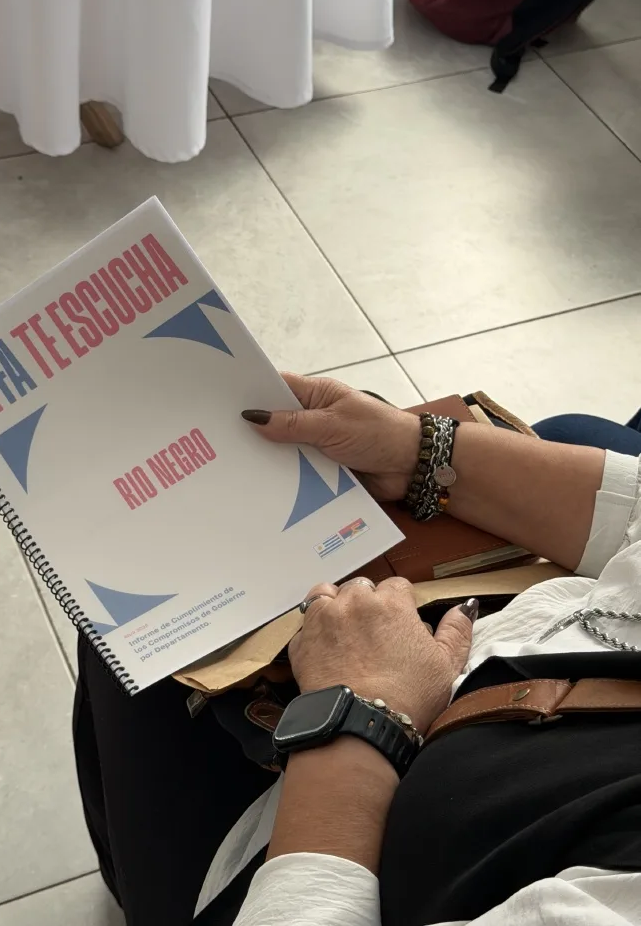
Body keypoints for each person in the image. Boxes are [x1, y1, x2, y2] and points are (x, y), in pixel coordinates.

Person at [73, 374, 641, 926]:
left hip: (317, 853)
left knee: (133, 641)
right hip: (521, 658)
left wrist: (358, 714)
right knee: (573, 430)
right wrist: (419, 451)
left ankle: (135, 891)